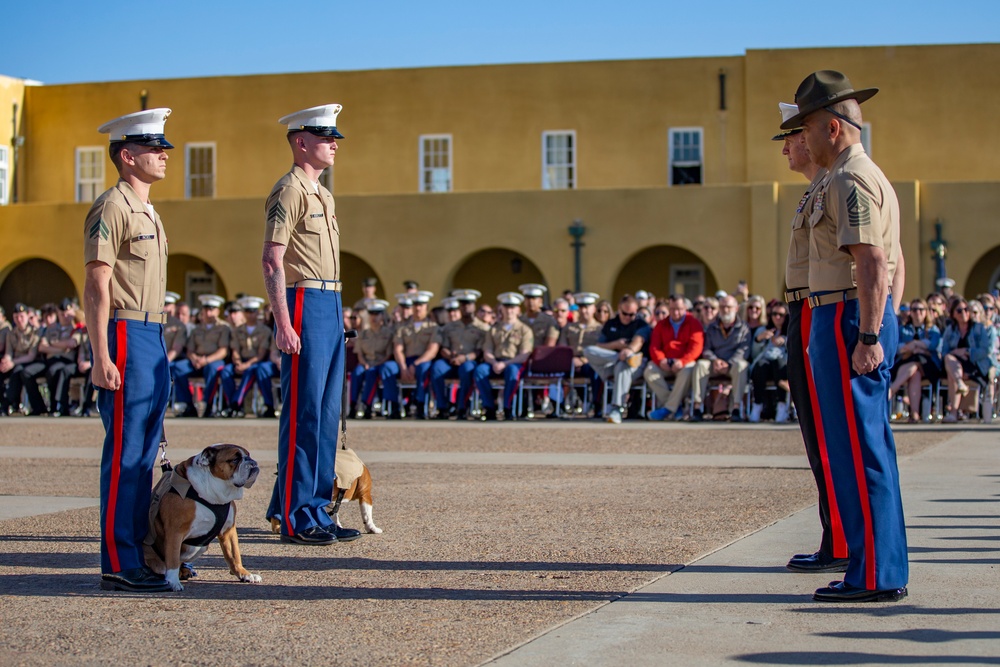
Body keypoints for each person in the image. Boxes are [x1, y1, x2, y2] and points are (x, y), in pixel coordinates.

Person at [781, 70, 907, 602]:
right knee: (852, 445)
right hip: (843, 315)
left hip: (848, 316)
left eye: (805, 128)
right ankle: (868, 564)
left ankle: (875, 573)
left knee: (859, 449)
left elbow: (874, 262)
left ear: (832, 128)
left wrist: (871, 332)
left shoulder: (850, 179)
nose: (800, 139)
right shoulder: (844, 176)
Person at [83, 108, 174, 592]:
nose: (163, 154)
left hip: (152, 334)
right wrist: (100, 355)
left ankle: (146, 553)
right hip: (123, 331)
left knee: (146, 450)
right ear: (126, 155)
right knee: (126, 453)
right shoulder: (112, 206)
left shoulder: (148, 210)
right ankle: (119, 560)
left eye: (163, 147)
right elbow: (97, 283)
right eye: (152, 147)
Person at [261, 103, 360, 546]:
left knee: (325, 414)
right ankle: (296, 514)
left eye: (334, 137)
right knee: (304, 414)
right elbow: (272, 259)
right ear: (301, 142)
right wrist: (283, 321)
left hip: (331, 301)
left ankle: (317, 508)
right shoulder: (289, 191)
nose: (334, 144)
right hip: (304, 301)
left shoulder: (324, 194)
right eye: (325, 137)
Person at [584, 295, 650, 423]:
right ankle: (619, 358)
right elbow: (599, 346)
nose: (628, 317)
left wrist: (629, 351)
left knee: (623, 366)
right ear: (619, 309)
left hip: (635, 364)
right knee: (589, 351)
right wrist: (616, 346)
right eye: (625, 313)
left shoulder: (641, 324)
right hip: (612, 361)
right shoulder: (611, 324)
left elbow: (638, 342)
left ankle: (616, 408)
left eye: (632, 314)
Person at [474, 292, 534, 420]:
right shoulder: (494, 329)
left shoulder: (525, 330)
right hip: (495, 362)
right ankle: (489, 407)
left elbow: (524, 355)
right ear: (501, 309)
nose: (509, 310)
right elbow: (487, 350)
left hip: (514, 363)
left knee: (513, 372)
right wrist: (494, 362)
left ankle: (508, 407)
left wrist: (505, 364)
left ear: (518, 309)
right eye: (506, 307)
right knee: (480, 370)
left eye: (512, 307)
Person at [690, 295, 750, 422]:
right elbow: (706, 349)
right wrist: (715, 360)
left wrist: (729, 363)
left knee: (742, 365)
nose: (725, 310)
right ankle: (697, 407)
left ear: (736, 308)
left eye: (728, 307)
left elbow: (744, 350)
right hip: (715, 364)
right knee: (700, 365)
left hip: (732, 364)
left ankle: (736, 408)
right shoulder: (712, 327)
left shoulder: (744, 327)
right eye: (722, 307)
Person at [645, 295, 705, 421]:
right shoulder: (661, 324)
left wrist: (682, 361)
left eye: (679, 309)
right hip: (666, 362)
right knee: (650, 370)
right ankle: (675, 407)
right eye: (672, 309)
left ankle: (668, 408)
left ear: (685, 308)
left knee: (688, 369)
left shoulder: (693, 323)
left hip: (684, 362)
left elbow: (696, 347)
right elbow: (655, 346)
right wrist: (660, 360)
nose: (675, 312)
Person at [171, 294, 230, 417]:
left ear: (217, 311)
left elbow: (223, 351)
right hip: (197, 361)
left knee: (213, 369)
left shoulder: (224, 328)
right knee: (178, 367)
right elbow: (190, 349)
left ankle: (207, 404)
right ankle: (188, 404)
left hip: (214, 360)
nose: (208, 313)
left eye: (211, 309)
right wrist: (195, 359)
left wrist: (206, 360)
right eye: (206, 309)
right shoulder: (196, 329)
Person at [383, 290, 440, 418]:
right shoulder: (402, 327)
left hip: (422, 361)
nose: (418, 308)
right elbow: (398, 348)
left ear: (427, 307)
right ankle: (394, 406)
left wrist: (415, 364)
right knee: (388, 368)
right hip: (405, 360)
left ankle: (420, 405)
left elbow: (432, 350)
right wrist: (403, 366)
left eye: (421, 305)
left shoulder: (433, 327)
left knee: (424, 368)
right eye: (415, 305)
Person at [431, 292, 488, 420]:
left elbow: (479, 351)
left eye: (469, 304)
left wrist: (465, 358)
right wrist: (450, 356)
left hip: (470, 361)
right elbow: (443, 347)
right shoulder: (450, 327)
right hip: (451, 360)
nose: (465, 307)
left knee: (467, 369)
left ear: (474, 306)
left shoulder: (482, 328)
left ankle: (462, 407)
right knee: (437, 368)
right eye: (462, 304)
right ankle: (442, 407)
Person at [941, 297, 997, 422]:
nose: (964, 313)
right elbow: (944, 351)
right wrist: (955, 353)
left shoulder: (978, 328)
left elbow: (986, 350)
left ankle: (954, 412)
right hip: (956, 366)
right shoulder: (951, 330)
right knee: (950, 361)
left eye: (966, 309)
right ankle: (959, 386)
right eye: (959, 310)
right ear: (953, 314)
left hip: (975, 365)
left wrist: (967, 352)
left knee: (952, 373)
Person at [888, 298, 941, 422]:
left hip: (928, 365)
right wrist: (919, 347)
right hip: (906, 363)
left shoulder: (932, 329)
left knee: (916, 363)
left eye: (921, 309)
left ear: (926, 311)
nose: (918, 312)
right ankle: (915, 414)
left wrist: (913, 344)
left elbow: (933, 346)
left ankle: (893, 389)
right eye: (914, 309)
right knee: (915, 373)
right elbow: (896, 348)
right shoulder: (903, 329)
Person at [221, 296, 274, 418]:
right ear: (244, 313)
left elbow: (261, 353)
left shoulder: (265, 330)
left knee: (251, 371)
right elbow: (235, 350)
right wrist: (238, 362)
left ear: (258, 312)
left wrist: (246, 365)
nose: (250, 315)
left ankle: (235, 405)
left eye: (253, 311)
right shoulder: (238, 330)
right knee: (225, 372)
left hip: (254, 362)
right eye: (247, 311)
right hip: (241, 361)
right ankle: (231, 403)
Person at [748, 302, 790, 423]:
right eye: (774, 314)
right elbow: (754, 354)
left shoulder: (790, 331)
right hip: (765, 364)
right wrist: (759, 339)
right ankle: (757, 405)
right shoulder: (762, 330)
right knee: (760, 365)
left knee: (779, 362)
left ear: (786, 316)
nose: (777, 317)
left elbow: (795, 353)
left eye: (781, 315)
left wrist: (786, 341)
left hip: (782, 366)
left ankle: (782, 405)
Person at [2, 303, 46, 416]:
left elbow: (31, 355)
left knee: (20, 371)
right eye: (16, 317)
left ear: (27, 316)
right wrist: (5, 361)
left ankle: (9, 404)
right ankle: (7, 405)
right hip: (16, 363)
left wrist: (12, 362)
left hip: (33, 363)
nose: (19, 319)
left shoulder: (35, 332)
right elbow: (8, 352)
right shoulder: (11, 333)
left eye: (22, 316)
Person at [354, 299, 394, 419]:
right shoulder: (364, 334)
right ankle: (353, 404)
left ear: (382, 316)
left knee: (372, 373)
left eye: (377, 314)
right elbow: (359, 352)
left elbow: (388, 354)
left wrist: (375, 364)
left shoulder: (388, 333)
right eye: (371, 314)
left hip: (380, 363)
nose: (374, 317)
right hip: (366, 363)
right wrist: (364, 363)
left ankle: (367, 405)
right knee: (357, 372)